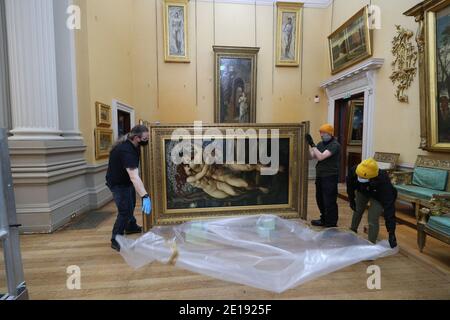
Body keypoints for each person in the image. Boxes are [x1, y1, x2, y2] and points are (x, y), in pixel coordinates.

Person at [106, 125, 152, 252]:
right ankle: (116, 239)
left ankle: (130, 226)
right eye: (145, 138)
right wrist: (145, 196)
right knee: (124, 211)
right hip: (118, 184)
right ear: (137, 138)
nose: (147, 140)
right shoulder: (126, 150)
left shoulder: (133, 145)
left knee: (130, 204)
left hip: (125, 182)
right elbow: (134, 177)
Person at [347, 158, 398, 248]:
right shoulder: (355, 170)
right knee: (357, 209)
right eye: (360, 177)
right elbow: (350, 186)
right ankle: (352, 231)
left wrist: (391, 232)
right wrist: (351, 200)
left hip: (378, 195)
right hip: (362, 190)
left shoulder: (384, 183)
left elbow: (389, 207)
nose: (361, 178)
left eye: (364, 178)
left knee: (372, 218)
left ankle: (370, 244)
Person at [306, 124, 341, 228]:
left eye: (323, 133)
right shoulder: (320, 144)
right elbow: (310, 157)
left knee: (329, 199)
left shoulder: (335, 145)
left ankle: (331, 222)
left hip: (330, 176)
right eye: (320, 133)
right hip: (320, 175)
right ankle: (324, 218)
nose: (321, 135)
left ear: (330, 133)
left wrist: (312, 144)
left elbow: (321, 157)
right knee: (320, 198)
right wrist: (306, 146)